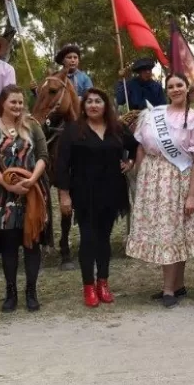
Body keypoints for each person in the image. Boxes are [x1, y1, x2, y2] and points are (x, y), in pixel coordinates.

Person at [126, 74, 194, 308]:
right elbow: (141, 147)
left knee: (175, 232)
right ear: (166, 90)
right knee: (171, 231)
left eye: (179, 85)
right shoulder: (152, 115)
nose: (175, 89)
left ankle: (168, 289)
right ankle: (177, 285)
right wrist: (138, 176)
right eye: (171, 86)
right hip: (153, 178)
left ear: (188, 88)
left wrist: (193, 194)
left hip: (181, 178)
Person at [55, 88, 138, 307]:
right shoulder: (73, 130)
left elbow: (136, 146)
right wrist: (64, 195)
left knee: (104, 240)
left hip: (111, 191)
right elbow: (62, 164)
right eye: (89, 101)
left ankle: (103, 282)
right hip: (84, 193)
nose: (93, 105)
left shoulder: (117, 129)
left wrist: (129, 163)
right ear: (83, 106)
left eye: (98, 101)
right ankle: (88, 287)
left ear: (105, 105)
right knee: (88, 239)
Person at [0, 85, 49, 313]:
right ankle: (11, 292)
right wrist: (7, 183)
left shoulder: (33, 126)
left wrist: (31, 180)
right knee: (9, 246)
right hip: (3, 197)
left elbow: (43, 156)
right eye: (13, 102)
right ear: (2, 103)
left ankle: (32, 291)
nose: (18, 106)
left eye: (20, 102)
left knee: (32, 243)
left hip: (32, 193)